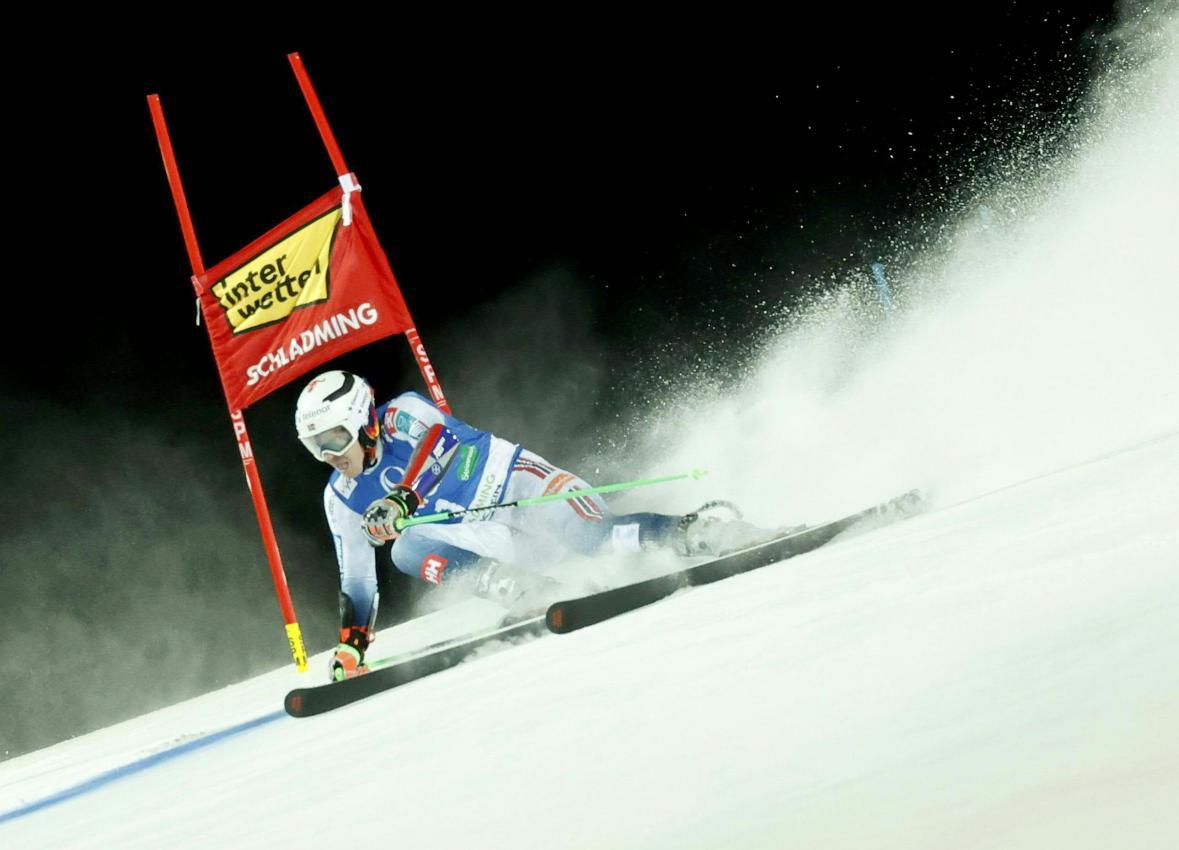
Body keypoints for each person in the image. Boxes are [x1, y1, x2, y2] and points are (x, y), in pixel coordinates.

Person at [295, 369, 767, 681]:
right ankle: (525, 589)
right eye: (316, 446)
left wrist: (403, 497)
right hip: (488, 535)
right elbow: (357, 577)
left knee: (596, 538)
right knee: (405, 549)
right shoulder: (341, 497)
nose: (331, 455)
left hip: (521, 488)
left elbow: (443, 444)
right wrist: (352, 646)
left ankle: (703, 533)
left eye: (335, 437)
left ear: (363, 421)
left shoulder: (404, 414)